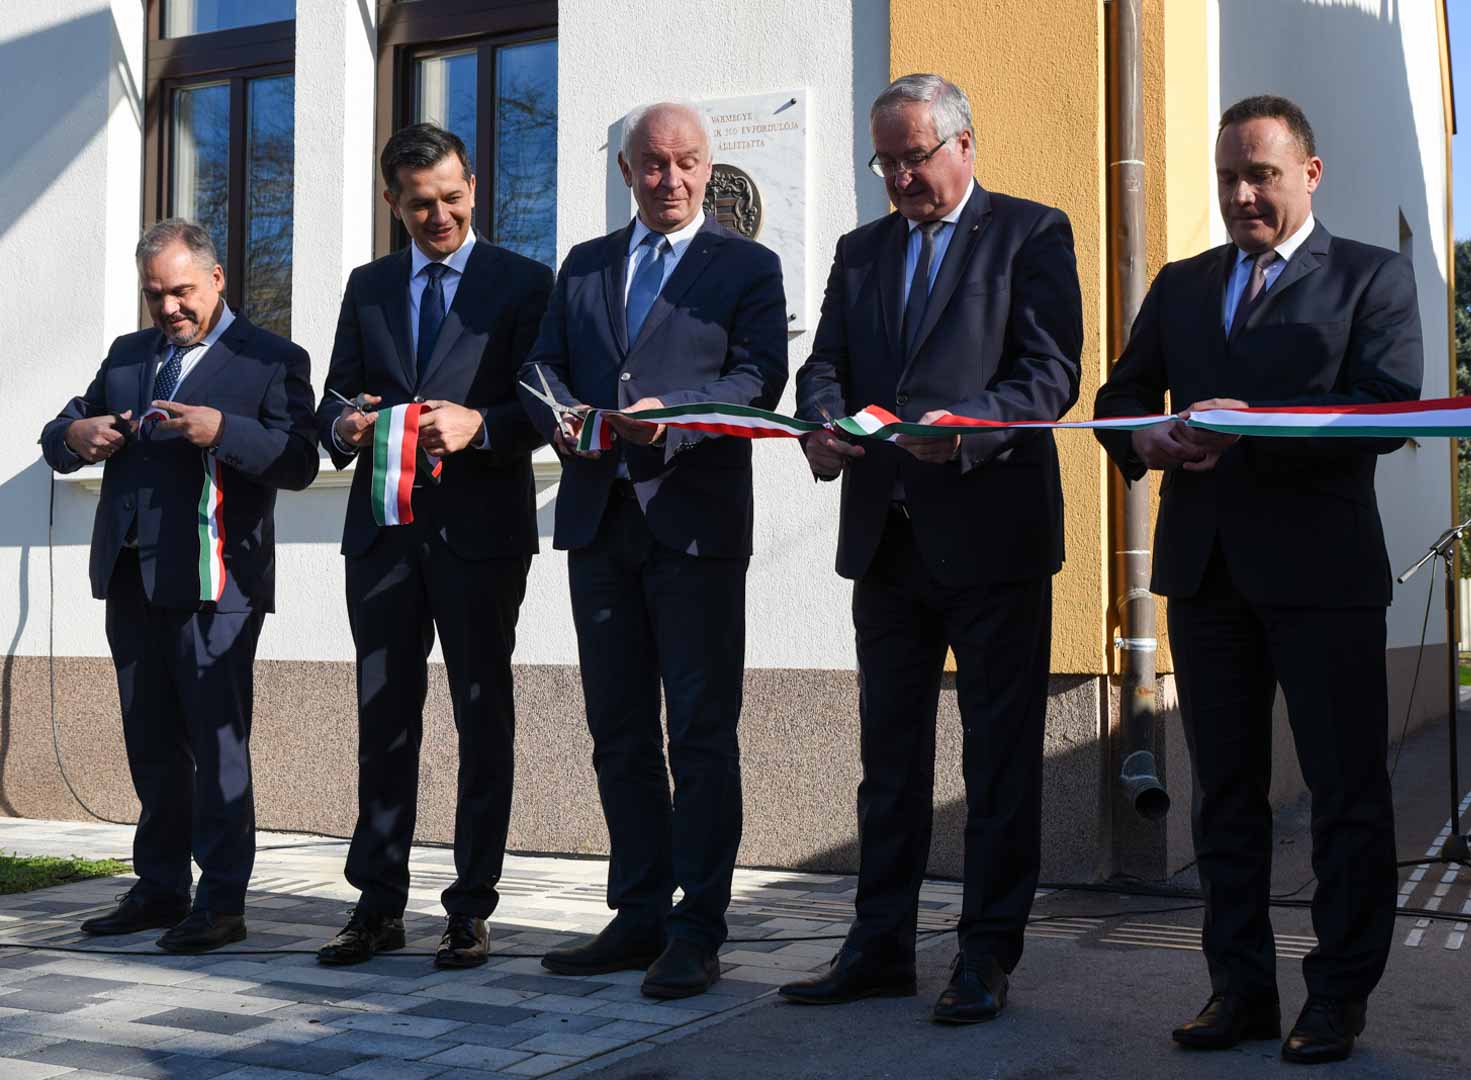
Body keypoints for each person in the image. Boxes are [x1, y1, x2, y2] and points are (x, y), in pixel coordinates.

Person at [1092, 94, 1423, 1064]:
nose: (1242, 194)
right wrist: (1144, 439)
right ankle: (1237, 990)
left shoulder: (1371, 276)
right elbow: (1119, 395)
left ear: (1309, 175)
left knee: (1344, 794)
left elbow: (1388, 409)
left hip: (1324, 576)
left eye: (1262, 175)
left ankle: (1337, 999)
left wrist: (1258, 428)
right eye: (1229, 177)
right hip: (1205, 576)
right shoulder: (1184, 284)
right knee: (1224, 798)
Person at [780, 74, 1081, 1024]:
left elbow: (1050, 376)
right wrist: (821, 424)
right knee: (889, 762)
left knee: (998, 762)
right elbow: (824, 363)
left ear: (964, 143)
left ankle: (985, 957)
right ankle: (879, 947)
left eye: (914, 157)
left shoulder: (1032, 232)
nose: (901, 178)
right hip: (887, 539)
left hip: (993, 538)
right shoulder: (860, 250)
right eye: (886, 163)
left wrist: (967, 434)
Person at [518, 101, 788, 1000]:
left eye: (686, 162)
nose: (670, 179)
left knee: (701, 734)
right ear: (626, 171)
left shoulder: (747, 265)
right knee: (619, 731)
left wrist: (672, 420)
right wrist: (559, 416)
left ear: (708, 168)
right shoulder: (586, 264)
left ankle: (697, 927)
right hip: (599, 524)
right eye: (653, 163)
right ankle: (636, 913)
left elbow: (759, 378)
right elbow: (540, 365)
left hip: (695, 527)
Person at [40, 219, 319, 953]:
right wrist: (74, 438)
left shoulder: (270, 358)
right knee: (152, 741)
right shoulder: (129, 356)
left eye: (182, 291)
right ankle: (160, 886)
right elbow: (63, 431)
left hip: (216, 583)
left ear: (217, 278)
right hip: (131, 577)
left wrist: (222, 429)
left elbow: (300, 461)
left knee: (216, 742)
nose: (168, 307)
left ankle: (222, 901)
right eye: (155, 294)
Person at [314, 123, 553, 969]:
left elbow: (547, 408)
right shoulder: (369, 285)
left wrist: (481, 424)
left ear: (473, 187)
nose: (439, 215)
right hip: (382, 537)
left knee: (482, 716)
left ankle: (470, 906)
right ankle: (377, 904)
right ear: (393, 203)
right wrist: (343, 425)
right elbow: (333, 397)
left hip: (480, 536)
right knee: (383, 717)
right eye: (421, 205)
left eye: (452, 198)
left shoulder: (523, 282)